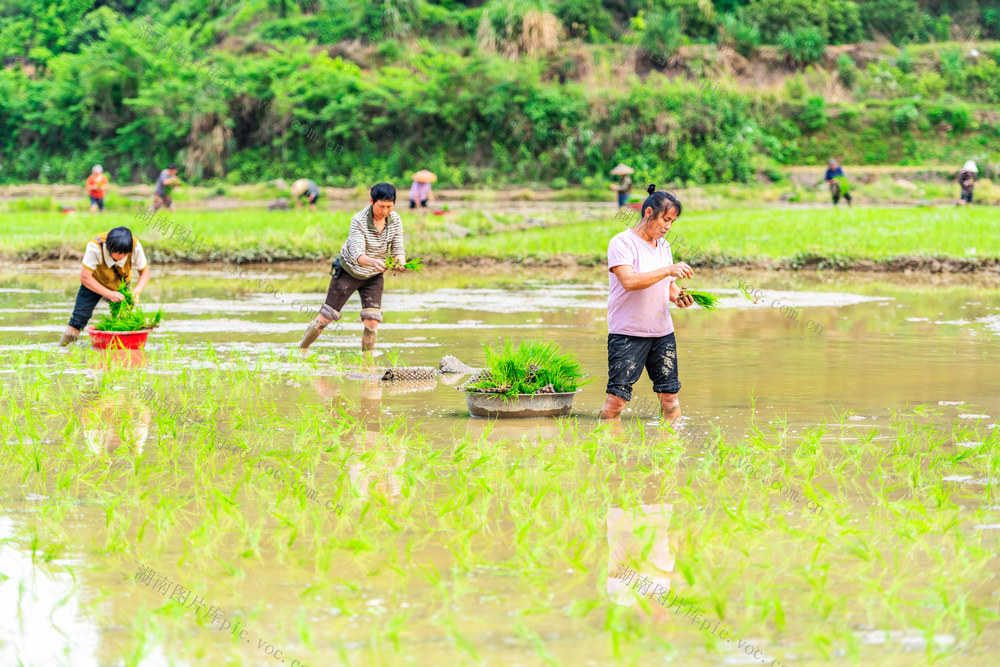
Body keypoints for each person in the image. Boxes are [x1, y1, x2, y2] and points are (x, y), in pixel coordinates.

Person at [600, 184, 695, 422]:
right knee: (617, 399)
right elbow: (629, 282)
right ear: (649, 213)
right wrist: (667, 270)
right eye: (665, 219)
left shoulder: (664, 246)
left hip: (662, 332)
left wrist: (678, 297)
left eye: (672, 222)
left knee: (670, 396)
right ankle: (605, 448)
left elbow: (669, 287)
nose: (668, 227)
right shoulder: (622, 242)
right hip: (628, 332)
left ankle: (671, 447)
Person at [298, 183, 407, 354]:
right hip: (348, 271)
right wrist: (373, 262)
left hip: (374, 275)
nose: (385, 211)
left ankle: (366, 360)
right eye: (381, 206)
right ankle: (300, 350)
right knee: (326, 317)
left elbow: (398, 249)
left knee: (372, 321)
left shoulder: (395, 220)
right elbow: (358, 254)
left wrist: (400, 262)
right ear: (372, 201)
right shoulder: (359, 220)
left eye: (389, 206)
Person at [60, 226, 150, 346]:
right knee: (78, 320)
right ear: (109, 248)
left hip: (120, 285)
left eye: (126, 253)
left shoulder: (134, 246)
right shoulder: (95, 247)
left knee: (124, 321)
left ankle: (120, 351)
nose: (123, 256)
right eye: (119, 253)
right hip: (93, 283)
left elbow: (145, 273)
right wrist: (108, 294)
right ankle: (64, 349)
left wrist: (135, 292)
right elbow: (85, 277)